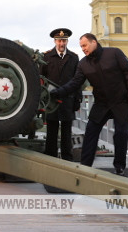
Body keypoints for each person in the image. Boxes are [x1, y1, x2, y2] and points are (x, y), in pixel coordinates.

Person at [50, 32, 128, 175]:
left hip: (121, 101)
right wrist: (58, 92)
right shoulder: (83, 64)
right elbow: (74, 83)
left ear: (94, 42)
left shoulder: (114, 53)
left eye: (85, 45)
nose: (83, 48)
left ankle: (119, 166)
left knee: (121, 134)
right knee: (91, 132)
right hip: (102, 103)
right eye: (81, 46)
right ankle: (85, 166)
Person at [40, 28, 80, 161]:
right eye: (59, 41)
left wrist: (77, 100)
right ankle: (50, 157)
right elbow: (41, 78)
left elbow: (77, 80)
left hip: (68, 99)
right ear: (55, 41)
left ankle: (67, 158)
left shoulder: (74, 58)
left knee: (67, 131)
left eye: (64, 40)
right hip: (51, 100)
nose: (61, 44)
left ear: (67, 41)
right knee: (51, 129)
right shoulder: (46, 56)